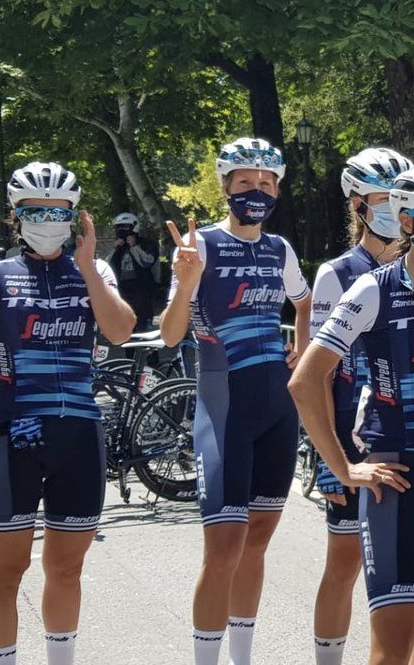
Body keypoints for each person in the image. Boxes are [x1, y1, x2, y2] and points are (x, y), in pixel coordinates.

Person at [289, 161, 414, 665]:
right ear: (406, 221)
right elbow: (304, 379)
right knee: (392, 645)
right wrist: (342, 467)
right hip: (396, 477)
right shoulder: (372, 289)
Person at [0, 162, 135, 665]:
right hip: (12, 434)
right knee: (5, 573)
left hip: (79, 437)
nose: (47, 218)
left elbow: (119, 331)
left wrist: (90, 264)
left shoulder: (95, 268)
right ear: (16, 215)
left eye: (58, 210)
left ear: (74, 215)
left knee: (66, 569)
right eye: (35, 210)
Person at [158, 137, 315, 665]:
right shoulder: (200, 244)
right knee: (224, 549)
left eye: (268, 182)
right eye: (246, 180)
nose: (258, 190)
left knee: (257, 544)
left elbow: (304, 299)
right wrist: (185, 284)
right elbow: (169, 334)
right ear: (225, 185)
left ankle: (243, 658)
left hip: (278, 409)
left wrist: (303, 345)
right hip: (223, 407)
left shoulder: (280, 249)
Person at [308, 146, 412, 665]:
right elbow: (317, 373)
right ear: (357, 206)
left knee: (410, 576)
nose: (393, 207)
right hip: (358, 442)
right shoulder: (338, 272)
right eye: (381, 199)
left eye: (400, 197)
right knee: (346, 565)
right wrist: (331, 463)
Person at [106, 212, 160, 331]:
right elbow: (107, 266)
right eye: (119, 227)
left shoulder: (148, 243)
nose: (122, 230)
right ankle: (129, 347)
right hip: (123, 288)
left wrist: (134, 247)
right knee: (126, 319)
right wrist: (115, 249)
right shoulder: (119, 246)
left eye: (125, 227)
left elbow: (147, 262)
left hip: (142, 287)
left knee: (144, 320)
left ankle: (150, 347)